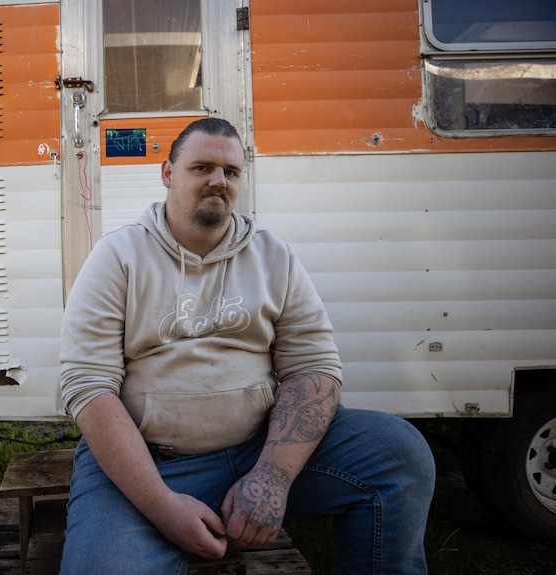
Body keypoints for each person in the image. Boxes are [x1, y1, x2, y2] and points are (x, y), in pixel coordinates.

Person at [58, 117, 435, 575]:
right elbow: (87, 386)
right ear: (167, 174)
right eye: (202, 167)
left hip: (261, 449)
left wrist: (273, 477)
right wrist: (162, 506)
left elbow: (313, 368)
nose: (219, 180)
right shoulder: (117, 258)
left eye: (231, 172)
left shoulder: (273, 257)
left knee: (399, 453)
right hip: (152, 465)